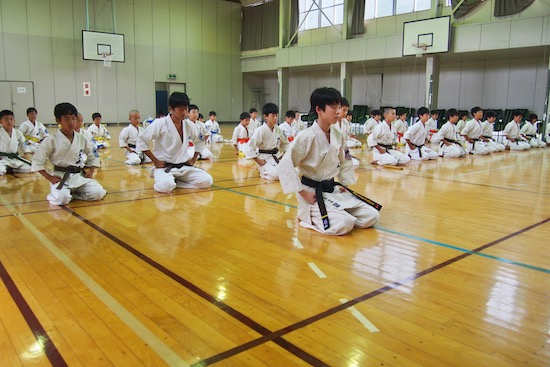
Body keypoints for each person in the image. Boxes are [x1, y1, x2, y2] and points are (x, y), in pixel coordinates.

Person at [277, 87, 380, 236]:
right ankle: (310, 216)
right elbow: (285, 165)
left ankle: (337, 213)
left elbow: (345, 162)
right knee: (345, 223)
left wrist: (344, 184)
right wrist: (303, 192)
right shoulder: (306, 136)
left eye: (339, 107)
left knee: (372, 216)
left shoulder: (337, 135)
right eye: (333, 107)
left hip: (331, 189)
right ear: (319, 109)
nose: (338, 112)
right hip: (311, 193)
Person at [136, 92, 213, 193]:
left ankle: (176, 182)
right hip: (164, 167)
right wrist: (156, 161)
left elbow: (199, 141)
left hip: (184, 166)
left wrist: (193, 159)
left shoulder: (189, 125)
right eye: (181, 109)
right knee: (165, 187)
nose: (184, 113)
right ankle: (168, 181)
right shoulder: (160, 123)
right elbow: (142, 140)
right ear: (171, 109)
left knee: (207, 181)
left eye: (186, 109)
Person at [32, 103, 106, 206]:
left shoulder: (81, 138)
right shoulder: (51, 140)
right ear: (58, 120)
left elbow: (92, 154)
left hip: (78, 176)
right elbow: (37, 161)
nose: (71, 122)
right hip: (61, 177)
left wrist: (91, 171)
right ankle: (61, 194)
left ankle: (73, 194)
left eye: (73, 118)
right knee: (62, 199)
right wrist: (50, 177)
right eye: (67, 119)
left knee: (98, 192)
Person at [246, 102, 288, 180]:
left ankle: (269, 171)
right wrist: (258, 160)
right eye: (273, 116)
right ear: (265, 116)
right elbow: (250, 147)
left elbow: (285, 144)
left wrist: (284, 154)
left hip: (276, 157)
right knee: (276, 174)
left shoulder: (278, 129)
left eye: (276, 115)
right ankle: (263, 172)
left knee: (294, 171)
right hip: (264, 159)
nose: (275, 118)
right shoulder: (260, 130)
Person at [0, 110, 32, 175]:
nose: (9, 121)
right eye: (6, 119)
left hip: (15, 158)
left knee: (30, 168)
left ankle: (11, 169)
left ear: (14, 120)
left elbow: (24, 145)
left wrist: (26, 153)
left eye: (11, 119)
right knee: (0, 171)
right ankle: (8, 168)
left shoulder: (18, 133)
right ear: (0, 121)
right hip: (2, 159)